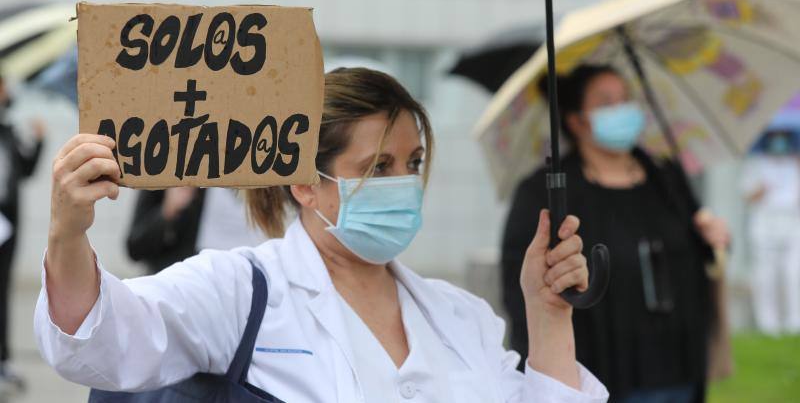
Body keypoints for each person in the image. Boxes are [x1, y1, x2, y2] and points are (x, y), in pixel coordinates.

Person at [35, 68, 608, 402]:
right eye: (378, 167)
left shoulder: (462, 318)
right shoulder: (242, 291)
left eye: (414, 162)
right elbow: (103, 345)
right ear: (307, 185)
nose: (404, 183)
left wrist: (548, 313)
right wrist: (67, 231)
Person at [502, 64, 730, 403]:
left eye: (625, 99)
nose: (622, 109)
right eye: (607, 102)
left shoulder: (665, 177)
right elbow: (523, 288)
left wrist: (715, 237)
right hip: (602, 372)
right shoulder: (547, 193)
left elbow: (701, 256)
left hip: (679, 364)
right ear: (577, 120)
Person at [0, 76, 45, 390]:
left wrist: (39, 141)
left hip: (6, 227)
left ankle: (3, 359)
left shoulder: (8, 132)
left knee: (2, 292)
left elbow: (26, 170)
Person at [741, 129, 800, 335]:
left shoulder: (795, 163)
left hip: (793, 222)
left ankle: (795, 323)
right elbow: (747, 196)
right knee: (766, 276)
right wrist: (761, 190)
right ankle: (768, 325)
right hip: (764, 224)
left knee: (794, 274)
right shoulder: (756, 164)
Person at [128, 187, 266, 274]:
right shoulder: (171, 163)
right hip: (179, 291)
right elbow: (134, 247)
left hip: (245, 288)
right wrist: (168, 211)